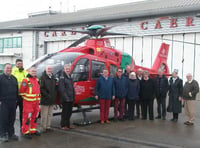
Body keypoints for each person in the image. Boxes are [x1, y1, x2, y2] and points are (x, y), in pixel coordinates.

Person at [19, 67, 41, 139]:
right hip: (28, 103)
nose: (34, 72)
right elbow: (21, 92)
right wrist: (27, 99)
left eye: (35, 71)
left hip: (36, 103)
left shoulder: (37, 80)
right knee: (27, 117)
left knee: (35, 117)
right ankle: (25, 131)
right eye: (32, 71)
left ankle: (33, 130)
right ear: (29, 71)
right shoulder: (26, 80)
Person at [0, 63, 18, 142]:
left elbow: (16, 89)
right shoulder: (0, 78)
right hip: (3, 102)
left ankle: (11, 133)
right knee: (4, 119)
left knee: (12, 118)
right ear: (4, 69)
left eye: (10, 68)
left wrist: (16, 99)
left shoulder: (14, 78)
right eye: (7, 68)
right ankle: (3, 134)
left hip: (13, 102)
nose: (9, 70)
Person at [40, 65, 57, 133]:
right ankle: (43, 128)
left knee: (50, 114)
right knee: (44, 114)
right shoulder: (42, 77)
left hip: (52, 99)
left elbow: (55, 87)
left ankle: (48, 126)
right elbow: (41, 88)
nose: (49, 70)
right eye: (48, 69)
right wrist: (47, 95)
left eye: (50, 69)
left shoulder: (53, 77)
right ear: (46, 69)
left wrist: (54, 95)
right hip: (45, 99)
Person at [12, 59, 28, 127]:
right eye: (18, 64)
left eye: (21, 64)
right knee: (12, 112)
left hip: (23, 96)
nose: (20, 65)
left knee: (23, 112)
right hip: (14, 95)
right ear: (16, 64)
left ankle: (22, 126)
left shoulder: (25, 72)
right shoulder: (13, 72)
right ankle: (10, 127)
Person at [59, 64, 75, 130]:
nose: (68, 70)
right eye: (66, 69)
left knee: (69, 112)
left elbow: (72, 87)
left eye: (69, 69)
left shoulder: (69, 76)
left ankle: (68, 124)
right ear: (64, 69)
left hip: (70, 98)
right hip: (65, 99)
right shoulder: (62, 77)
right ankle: (63, 125)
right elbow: (62, 89)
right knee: (65, 112)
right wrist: (66, 98)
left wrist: (73, 96)